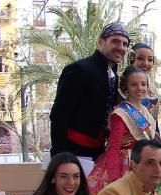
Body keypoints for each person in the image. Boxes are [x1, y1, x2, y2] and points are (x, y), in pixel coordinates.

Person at [49, 22, 130, 175]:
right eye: (115, 41)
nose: (121, 47)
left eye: (125, 44)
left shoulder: (114, 76)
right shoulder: (80, 70)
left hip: (98, 153)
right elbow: (59, 115)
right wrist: (60, 158)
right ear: (101, 42)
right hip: (73, 153)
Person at [88, 66, 157, 195]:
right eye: (134, 84)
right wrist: (115, 179)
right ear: (125, 87)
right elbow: (113, 147)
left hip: (144, 163)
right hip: (125, 165)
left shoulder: (146, 112)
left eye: (143, 84)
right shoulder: (120, 113)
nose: (140, 88)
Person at [127, 43, 161, 138]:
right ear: (131, 58)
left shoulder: (152, 89)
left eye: (150, 60)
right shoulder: (122, 86)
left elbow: (154, 122)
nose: (146, 63)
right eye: (140, 58)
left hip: (150, 140)